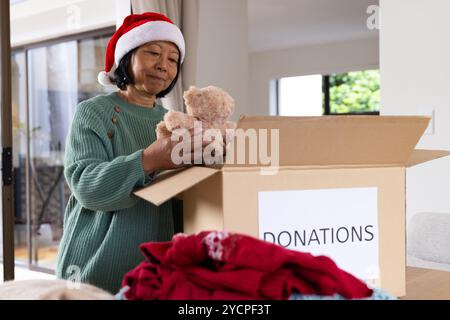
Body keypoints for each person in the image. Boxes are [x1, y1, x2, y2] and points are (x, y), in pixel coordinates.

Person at [56, 12, 199, 294]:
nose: (163, 65)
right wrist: (149, 160)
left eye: (173, 59)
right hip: (96, 263)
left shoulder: (176, 122)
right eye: (153, 52)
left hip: (155, 267)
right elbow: (85, 186)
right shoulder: (93, 112)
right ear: (127, 57)